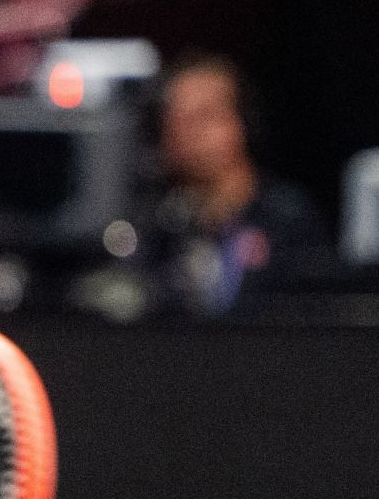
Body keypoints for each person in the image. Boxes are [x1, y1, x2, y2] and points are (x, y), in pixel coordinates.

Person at [137, 51, 327, 315]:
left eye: (205, 116)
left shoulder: (287, 217)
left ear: (243, 122)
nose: (189, 133)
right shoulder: (155, 227)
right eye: (177, 119)